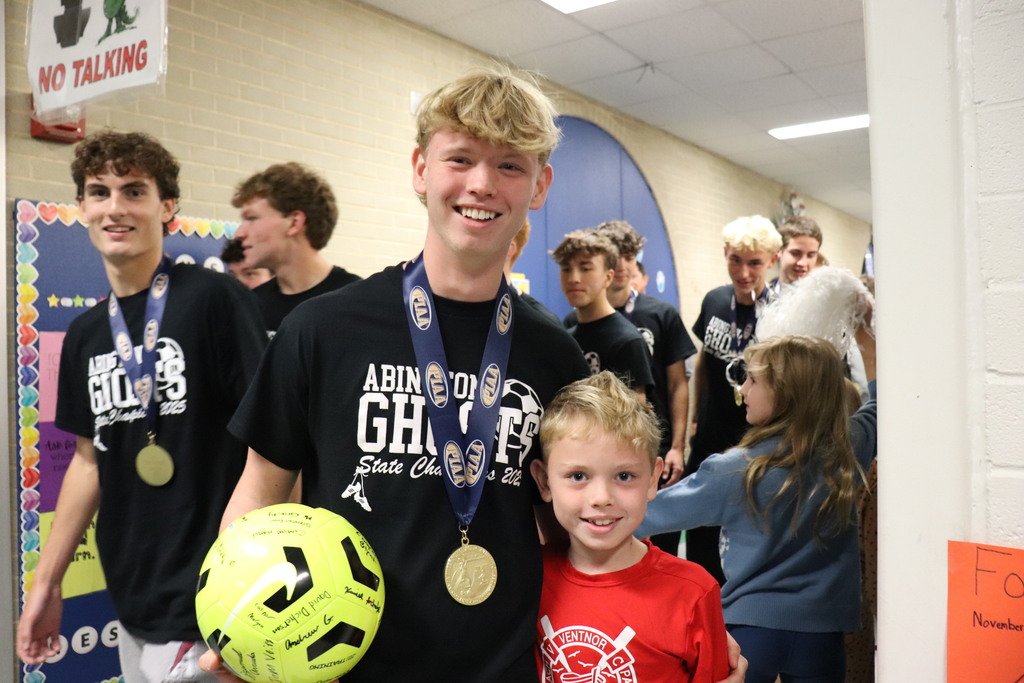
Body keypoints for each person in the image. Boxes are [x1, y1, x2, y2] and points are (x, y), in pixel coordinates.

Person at [202, 66, 593, 682]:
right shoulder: (323, 329)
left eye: (511, 166)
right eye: (460, 159)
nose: (483, 184)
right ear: (420, 169)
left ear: (539, 185)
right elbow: (261, 489)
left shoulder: (554, 354)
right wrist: (239, 624)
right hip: (342, 664)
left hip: (506, 663)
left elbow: (571, 521)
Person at [16, 131, 267, 681]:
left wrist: (262, 577)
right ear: (80, 206)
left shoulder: (214, 299)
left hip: (217, 596)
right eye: (99, 191)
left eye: (134, 191)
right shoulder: (86, 333)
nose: (115, 207)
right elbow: (88, 461)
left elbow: (275, 439)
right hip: (133, 594)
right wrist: (47, 584)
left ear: (167, 205)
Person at [638, 328, 877, 683]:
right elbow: (882, 402)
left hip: (750, 632)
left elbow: (644, 515)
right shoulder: (849, 450)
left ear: (784, 393)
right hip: (824, 635)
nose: (743, 390)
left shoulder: (734, 470)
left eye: (751, 380)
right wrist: (867, 338)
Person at [531, 371, 730, 682]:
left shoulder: (693, 594)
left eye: (624, 476)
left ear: (653, 479)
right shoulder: (530, 578)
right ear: (544, 481)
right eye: (578, 476)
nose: (601, 498)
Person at [687, 215, 782, 584]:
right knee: (700, 527)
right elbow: (704, 360)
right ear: (725, 254)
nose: (743, 272)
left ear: (771, 261)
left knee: (745, 526)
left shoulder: (781, 311)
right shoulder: (714, 300)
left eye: (754, 262)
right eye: (735, 260)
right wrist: (695, 420)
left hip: (755, 437)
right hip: (710, 433)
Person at [231, 161, 360, 336]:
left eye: (252, 218)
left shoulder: (357, 303)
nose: (240, 233)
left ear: (294, 222)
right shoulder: (251, 306)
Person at [552, 228, 654, 400]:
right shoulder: (566, 337)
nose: (573, 278)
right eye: (566, 269)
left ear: (608, 277)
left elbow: (635, 420)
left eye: (585, 269)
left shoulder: (628, 342)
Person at [771, 216, 822, 294]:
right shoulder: (757, 299)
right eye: (795, 253)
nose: (802, 263)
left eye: (810, 255)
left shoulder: (823, 303)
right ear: (779, 251)